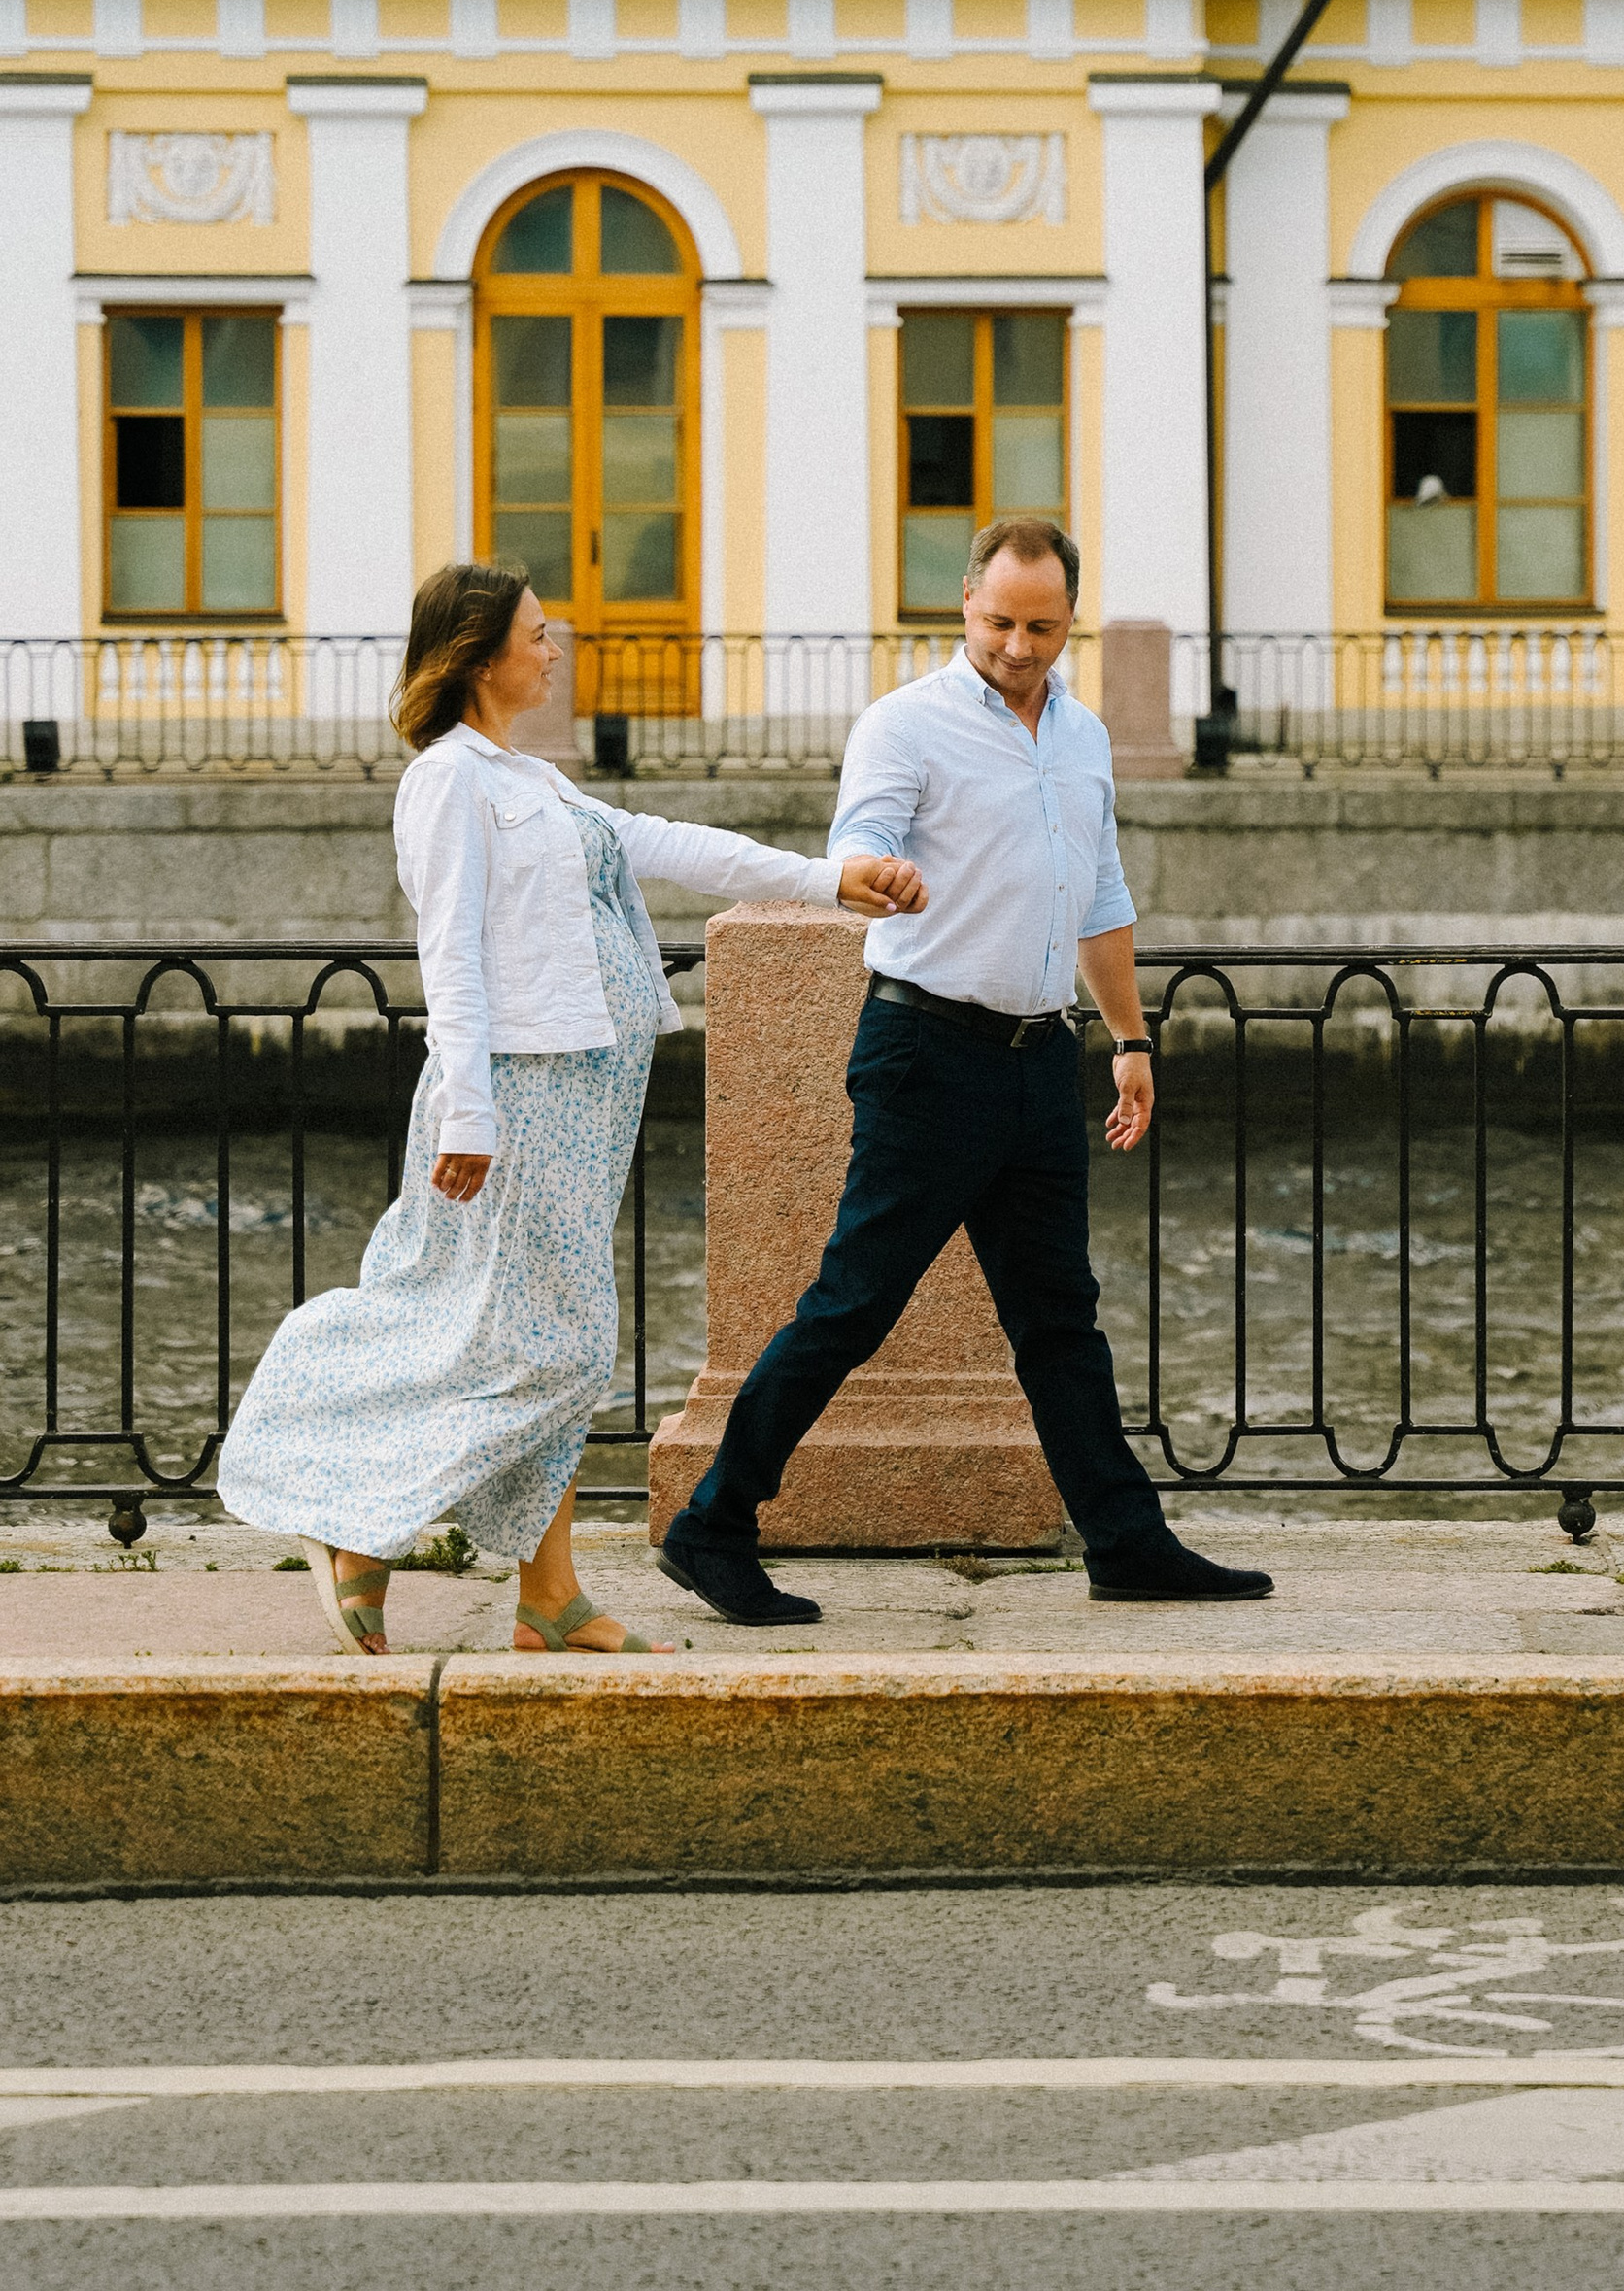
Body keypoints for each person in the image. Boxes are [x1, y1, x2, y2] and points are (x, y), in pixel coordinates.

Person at [216, 561, 925, 1656]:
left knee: (542, 1333)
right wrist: (468, 1114)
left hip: (588, 1087)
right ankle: (362, 1524)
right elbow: (447, 953)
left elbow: (675, 847)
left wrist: (833, 878)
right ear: (478, 653)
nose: (554, 651)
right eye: (537, 635)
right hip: (519, 1091)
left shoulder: (531, 780)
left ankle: (546, 1596)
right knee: (546, 1337)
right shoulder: (450, 779)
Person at [656, 513, 1272, 1626]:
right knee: (853, 1304)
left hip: (1044, 1063)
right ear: (964, 606)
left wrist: (1130, 1041)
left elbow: (1099, 898)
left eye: (1042, 625)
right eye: (1000, 622)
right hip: (927, 1051)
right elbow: (860, 835)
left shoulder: (1082, 737)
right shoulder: (907, 725)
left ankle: (1126, 1543)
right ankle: (712, 1525)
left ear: (1070, 618)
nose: (1020, 645)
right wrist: (873, 872)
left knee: (1059, 1321)